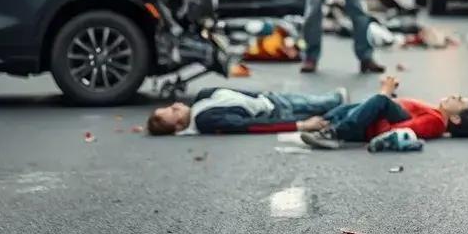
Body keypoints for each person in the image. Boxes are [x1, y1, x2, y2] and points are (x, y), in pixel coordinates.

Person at [299, 75, 468, 149]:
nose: (454, 96)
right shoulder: (435, 113)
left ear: (455, 118)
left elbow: (403, 129)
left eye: (459, 100)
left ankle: (333, 133)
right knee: (372, 102)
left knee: (380, 100)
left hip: (369, 128)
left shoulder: (436, 122)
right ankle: (325, 122)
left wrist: (385, 98)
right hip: (367, 120)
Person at [147, 88, 343, 135]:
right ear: (180, 126)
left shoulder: (201, 98)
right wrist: (299, 125)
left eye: (170, 106)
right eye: (173, 112)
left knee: (330, 102)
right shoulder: (205, 119)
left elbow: (237, 93)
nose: (175, 105)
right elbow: (248, 125)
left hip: (271, 99)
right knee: (332, 108)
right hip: (277, 112)